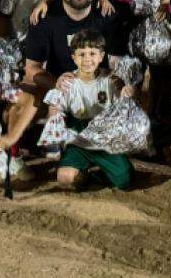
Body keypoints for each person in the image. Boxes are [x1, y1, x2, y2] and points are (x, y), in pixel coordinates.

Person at [12, 0, 126, 159]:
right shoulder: (44, 18)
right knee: (22, 96)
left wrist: (118, 86)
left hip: (97, 89)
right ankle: (22, 147)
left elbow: (117, 62)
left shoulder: (107, 16)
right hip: (60, 90)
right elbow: (31, 69)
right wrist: (56, 83)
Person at [53, 30, 137, 190]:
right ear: (74, 57)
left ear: (101, 56)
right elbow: (56, 111)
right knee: (65, 178)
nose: (87, 59)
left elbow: (126, 105)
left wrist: (129, 92)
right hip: (79, 136)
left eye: (92, 53)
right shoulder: (68, 81)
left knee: (125, 180)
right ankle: (83, 173)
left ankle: (101, 171)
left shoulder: (111, 80)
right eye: (81, 54)